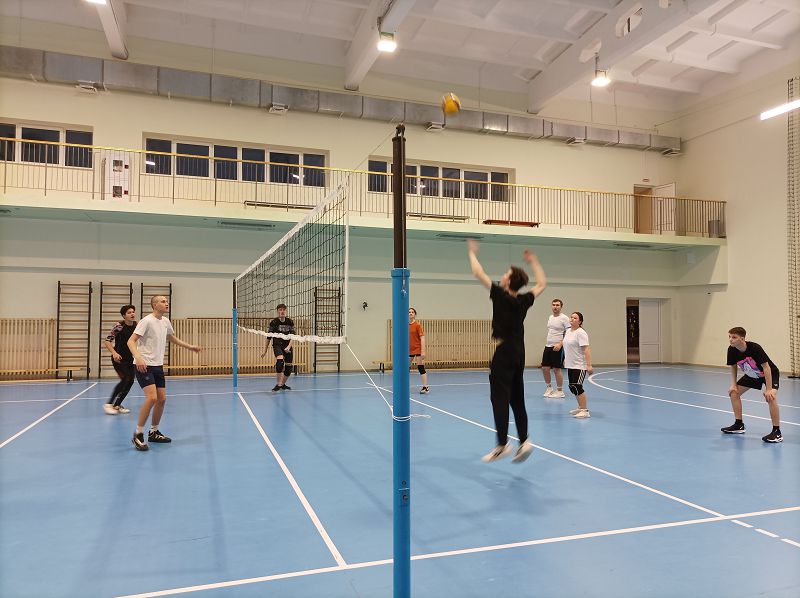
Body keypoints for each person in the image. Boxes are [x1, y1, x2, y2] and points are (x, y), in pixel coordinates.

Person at [467, 239, 546, 464]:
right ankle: (524, 440)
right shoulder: (523, 300)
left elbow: (477, 272)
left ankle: (502, 445)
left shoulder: (501, 295)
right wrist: (534, 262)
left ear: (509, 280)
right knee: (517, 399)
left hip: (504, 353)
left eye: (506, 273)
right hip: (519, 352)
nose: (502, 276)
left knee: (499, 398)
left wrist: (472, 252)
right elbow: (542, 284)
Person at [128, 295, 201, 451]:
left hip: (158, 366)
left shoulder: (165, 321)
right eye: (163, 301)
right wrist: (138, 357)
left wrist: (190, 347)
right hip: (144, 365)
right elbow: (131, 341)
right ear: (155, 305)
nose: (166, 303)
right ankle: (138, 434)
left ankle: (153, 432)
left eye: (167, 301)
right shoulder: (146, 321)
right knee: (152, 398)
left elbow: (171, 338)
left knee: (161, 399)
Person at [722, 327, 782, 443]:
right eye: (729, 337)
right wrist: (733, 384)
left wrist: (769, 389)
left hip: (769, 373)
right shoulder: (731, 349)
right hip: (753, 375)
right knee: (734, 393)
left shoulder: (754, 348)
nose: (730, 340)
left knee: (771, 397)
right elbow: (733, 366)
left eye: (734, 337)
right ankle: (739, 425)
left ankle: (777, 432)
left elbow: (766, 368)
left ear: (742, 338)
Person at [102, 304, 137, 415]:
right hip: (119, 359)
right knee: (125, 379)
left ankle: (117, 405)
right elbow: (107, 341)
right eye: (129, 312)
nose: (132, 314)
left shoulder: (137, 326)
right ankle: (109, 404)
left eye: (133, 312)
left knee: (130, 381)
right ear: (124, 316)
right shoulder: (119, 326)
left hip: (131, 359)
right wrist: (114, 353)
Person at [563, 312, 592, 418]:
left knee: (577, 386)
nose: (572, 319)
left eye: (575, 318)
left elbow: (586, 349)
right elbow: (567, 346)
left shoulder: (581, 333)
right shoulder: (568, 331)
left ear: (580, 322)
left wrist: (589, 365)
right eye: (571, 317)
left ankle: (585, 410)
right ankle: (580, 407)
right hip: (570, 364)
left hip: (579, 365)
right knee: (572, 387)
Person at [262, 303, 295, 392]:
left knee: (289, 368)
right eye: (280, 310)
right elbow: (269, 337)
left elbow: (293, 336)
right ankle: (278, 384)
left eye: (283, 310)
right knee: (280, 362)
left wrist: (289, 347)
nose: (282, 311)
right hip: (277, 344)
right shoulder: (274, 322)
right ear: (277, 312)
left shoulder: (290, 322)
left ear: (285, 311)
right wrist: (265, 351)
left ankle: (282, 384)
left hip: (287, 345)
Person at [542, 298, 569, 398]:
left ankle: (560, 391)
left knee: (556, 369)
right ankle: (549, 388)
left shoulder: (564, 318)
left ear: (561, 307)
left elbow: (568, 333)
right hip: (548, 346)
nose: (555, 307)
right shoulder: (550, 317)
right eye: (553, 305)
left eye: (557, 305)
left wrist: (560, 344)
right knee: (545, 368)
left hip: (558, 347)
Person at [409, 307, 429, 394]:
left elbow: (422, 337)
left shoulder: (417, 325)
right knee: (405, 367)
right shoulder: (406, 325)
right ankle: (404, 385)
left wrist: (423, 351)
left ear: (415, 314)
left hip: (417, 349)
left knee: (420, 367)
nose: (410, 313)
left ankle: (425, 387)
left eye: (412, 312)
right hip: (409, 349)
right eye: (409, 312)